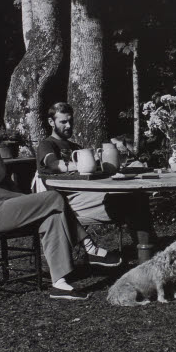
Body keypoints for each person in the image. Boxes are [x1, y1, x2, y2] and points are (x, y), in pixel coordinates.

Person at [0, 94, 121, 302]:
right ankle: (90, 248)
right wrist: (25, 197)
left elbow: (5, 181)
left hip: (0, 205)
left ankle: (59, 284)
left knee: (51, 214)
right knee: (52, 198)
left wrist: (29, 199)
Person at [36, 102, 156, 260]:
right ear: (51, 122)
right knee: (133, 200)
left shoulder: (75, 146)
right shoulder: (47, 144)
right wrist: (83, 164)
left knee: (135, 196)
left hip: (88, 194)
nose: (69, 125)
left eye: (70, 121)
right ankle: (148, 254)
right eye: (63, 122)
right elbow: (53, 164)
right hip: (68, 203)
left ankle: (148, 250)